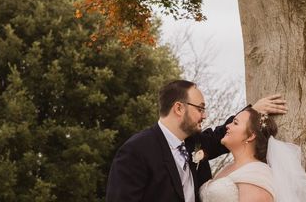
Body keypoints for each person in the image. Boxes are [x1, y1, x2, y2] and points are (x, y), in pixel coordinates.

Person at [105, 80, 287, 202]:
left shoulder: (195, 143)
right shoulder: (136, 151)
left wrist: (252, 112)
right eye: (200, 109)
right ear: (178, 108)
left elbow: (224, 135)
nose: (204, 115)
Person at [200, 108, 306, 202]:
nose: (227, 126)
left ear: (251, 136)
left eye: (235, 123)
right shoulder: (227, 168)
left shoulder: (257, 174)